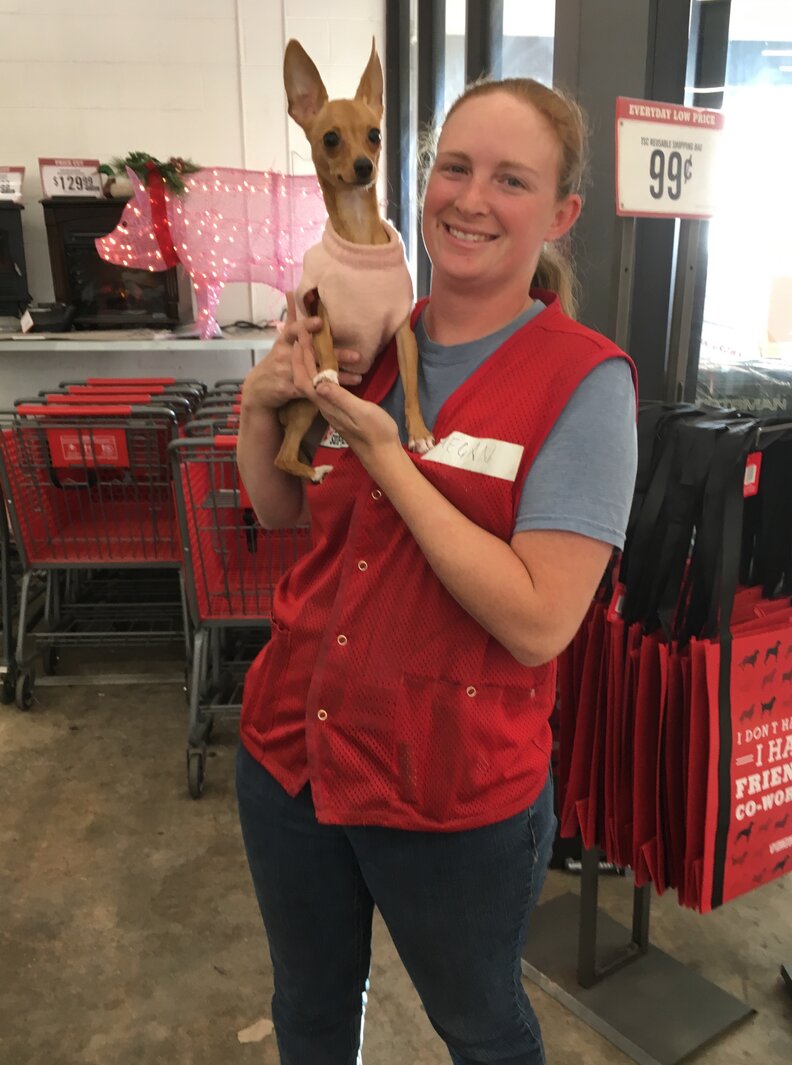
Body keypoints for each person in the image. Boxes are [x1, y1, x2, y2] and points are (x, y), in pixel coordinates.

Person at [235, 75, 638, 1065]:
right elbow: (282, 508)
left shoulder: (584, 385)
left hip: (448, 795)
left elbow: (542, 620)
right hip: (290, 757)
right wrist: (258, 404)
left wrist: (387, 454)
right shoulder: (368, 335)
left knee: (481, 1028)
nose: (470, 197)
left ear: (560, 213)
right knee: (313, 1010)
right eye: (454, 167)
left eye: (510, 179)